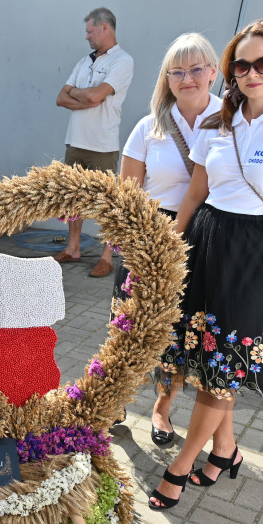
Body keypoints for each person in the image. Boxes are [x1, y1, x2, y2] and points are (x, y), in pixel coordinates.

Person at [148, 20, 263, 509]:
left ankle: (180, 467)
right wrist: (169, 247)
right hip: (208, 243)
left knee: (226, 366)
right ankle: (226, 451)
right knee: (210, 358)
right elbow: (195, 193)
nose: (252, 73)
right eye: (242, 65)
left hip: (262, 255)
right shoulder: (219, 122)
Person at [112, 33, 221, 445]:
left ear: (213, 73)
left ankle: (162, 408)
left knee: (177, 330)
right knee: (130, 323)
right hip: (151, 232)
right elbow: (127, 193)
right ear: (167, 78)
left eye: (196, 69)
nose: (186, 78)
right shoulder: (149, 127)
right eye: (177, 71)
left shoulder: (231, 123)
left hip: (204, 235)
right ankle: (115, 398)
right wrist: (129, 244)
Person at [54, 8, 134, 277]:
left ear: (104, 28)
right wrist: (83, 96)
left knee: (107, 204)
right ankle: (73, 248)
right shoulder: (84, 62)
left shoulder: (122, 61)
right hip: (75, 142)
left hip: (102, 145)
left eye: (90, 30)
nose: (86, 36)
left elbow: (97, 96)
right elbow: (60, 98)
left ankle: (107, 257)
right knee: (72, 201)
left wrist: (78, 94)